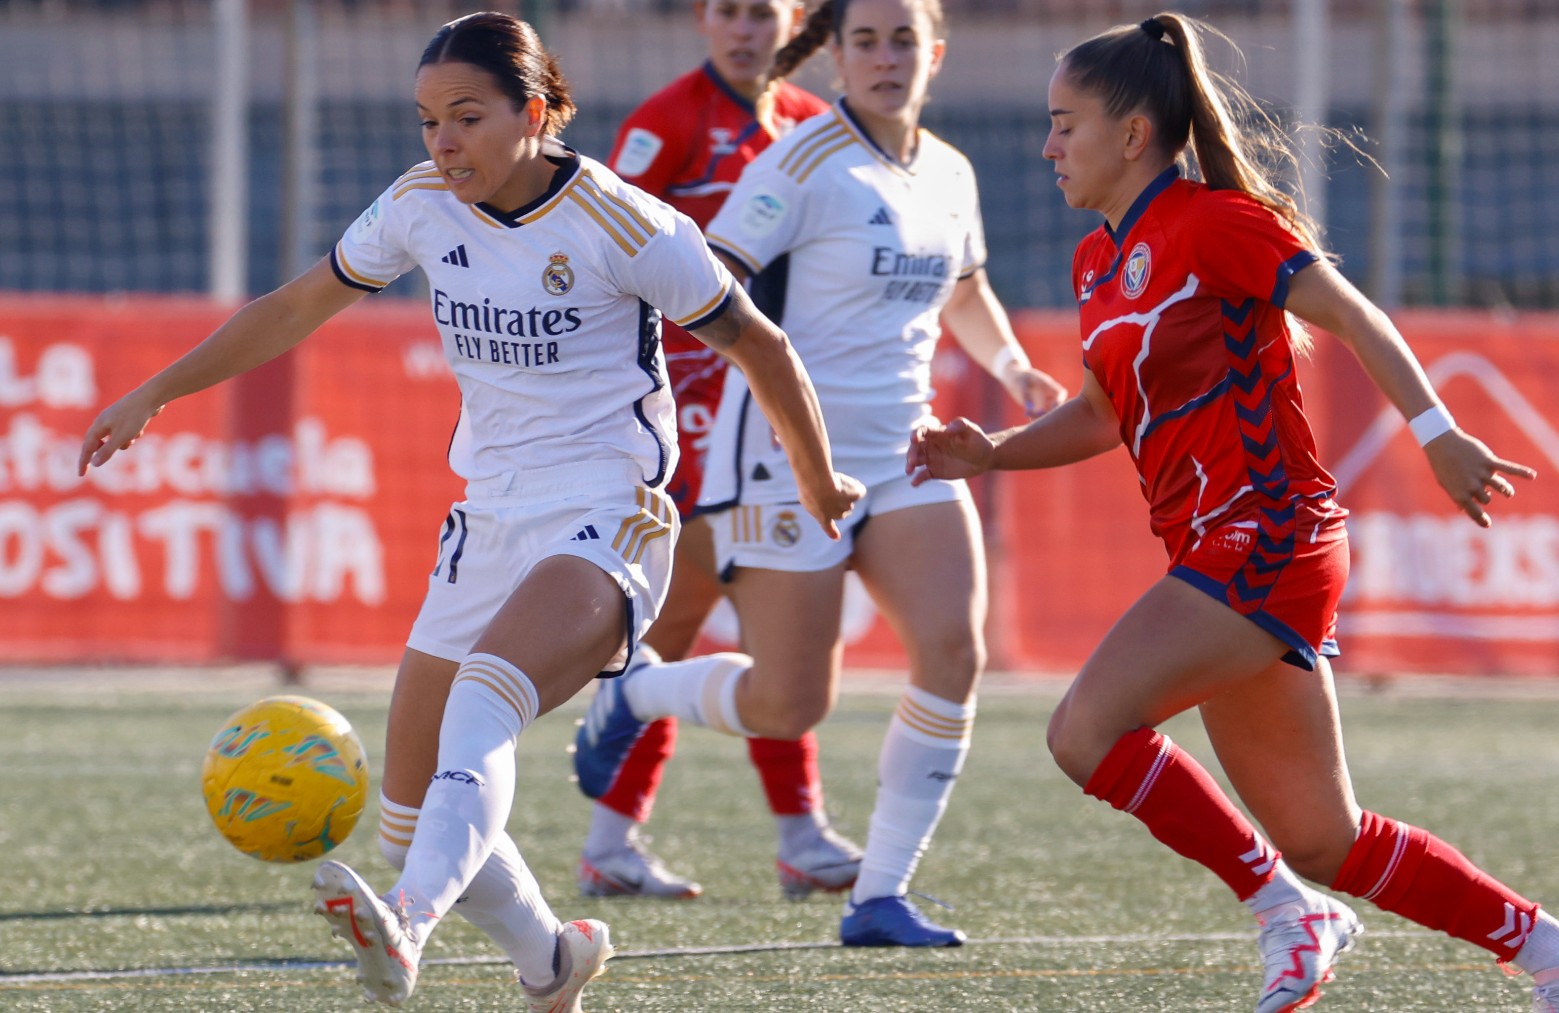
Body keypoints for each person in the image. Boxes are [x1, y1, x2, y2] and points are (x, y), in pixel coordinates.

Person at [78, 11, 858, 1009]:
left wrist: (818, 476)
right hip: (486, 523)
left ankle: (407, 917)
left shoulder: (627, 222)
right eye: (427, 124)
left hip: (607, 515)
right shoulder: (418, 206)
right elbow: (290, 307)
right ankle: (551, 959)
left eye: (467, 118)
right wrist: (154, 390)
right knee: (410, 807)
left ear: (535, 113)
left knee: (481, 701)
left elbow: (761, 345)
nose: (444, 144)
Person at [908, 13, 1559, 1013]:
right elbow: (1097, 413)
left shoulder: (1217, 221)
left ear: (1133, 135)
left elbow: (1350, 312)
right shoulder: (1097, 262)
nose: (1046, 146)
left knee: (1083, 730)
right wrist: (992, 452)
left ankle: (1283, 908)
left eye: (1063, 123)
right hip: (1226, 551)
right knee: (1321, 836)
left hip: (1270, 536)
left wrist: (1438, 432)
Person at [573, 0, 1066, 948]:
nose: (887, 58)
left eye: (905, 40)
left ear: (937, 54)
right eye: (867, 41)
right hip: (787, 455)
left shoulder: (953, 172)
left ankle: (879, 895)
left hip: (909, 453)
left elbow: (966, 287)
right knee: (790, 702)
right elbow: (711, 280)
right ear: (835, 55)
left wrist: (1012, 369)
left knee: (954, 652)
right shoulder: (796, 163)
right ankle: (636, 690)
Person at [569, 0, 867, 905]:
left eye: (762, 13)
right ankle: (783, 834)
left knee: (705, 624)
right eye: (729, 12)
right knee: (693, 616)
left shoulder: (814, 130)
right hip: (687, 412)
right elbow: (601, 250)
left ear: (795, 22)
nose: (745, 31)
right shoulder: (666, 124)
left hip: (767, 407)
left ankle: (633, 840)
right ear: (703, 20)